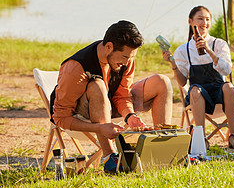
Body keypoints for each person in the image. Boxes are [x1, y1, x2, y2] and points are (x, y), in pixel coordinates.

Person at [51, 20, 173, 172]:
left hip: (108, 103)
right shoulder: (76, 67)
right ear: (108, 47)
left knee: (162, 82)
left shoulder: (125, 60)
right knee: (98, 85)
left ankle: (163, 148)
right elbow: (60, 117)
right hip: (80, 114)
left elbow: (122, 96)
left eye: (131, 57)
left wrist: (130, 116)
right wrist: (100, 128)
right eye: (124, 57)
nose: (127, 62)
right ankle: (111, 158)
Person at [162, 6, 234, 149]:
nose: (204, 23)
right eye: (200, 19)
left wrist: (209, 51)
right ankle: (201, 139)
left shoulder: (219, 44)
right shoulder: (183, 50)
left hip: (220, 94)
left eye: (207, 19)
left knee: (229, 86)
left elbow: (227, 70)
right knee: (194, 90)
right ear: (190, 22)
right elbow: (182, 82)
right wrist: (172, 63)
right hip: (198, 95)